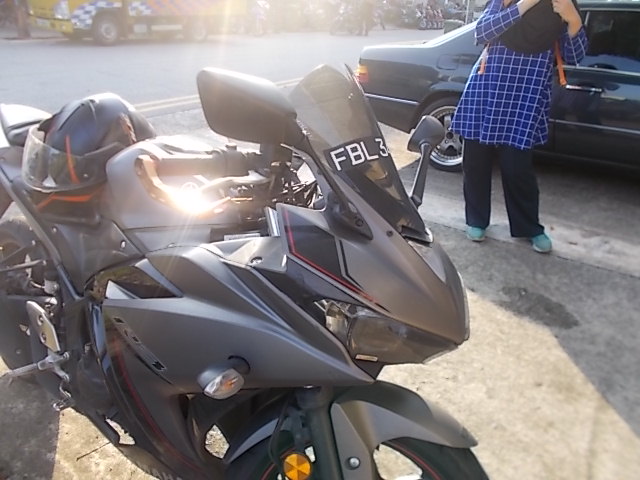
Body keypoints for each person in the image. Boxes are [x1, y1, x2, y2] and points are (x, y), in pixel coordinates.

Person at [450, 0, 587, 253]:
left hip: (527, 94)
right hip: (486, 89)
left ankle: (529, 227)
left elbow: (575, 56)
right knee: (475, 161)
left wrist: (573, 19)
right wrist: (523, 5)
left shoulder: (561, 3)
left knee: (517, 168)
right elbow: (482, 32)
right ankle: (477, 220)